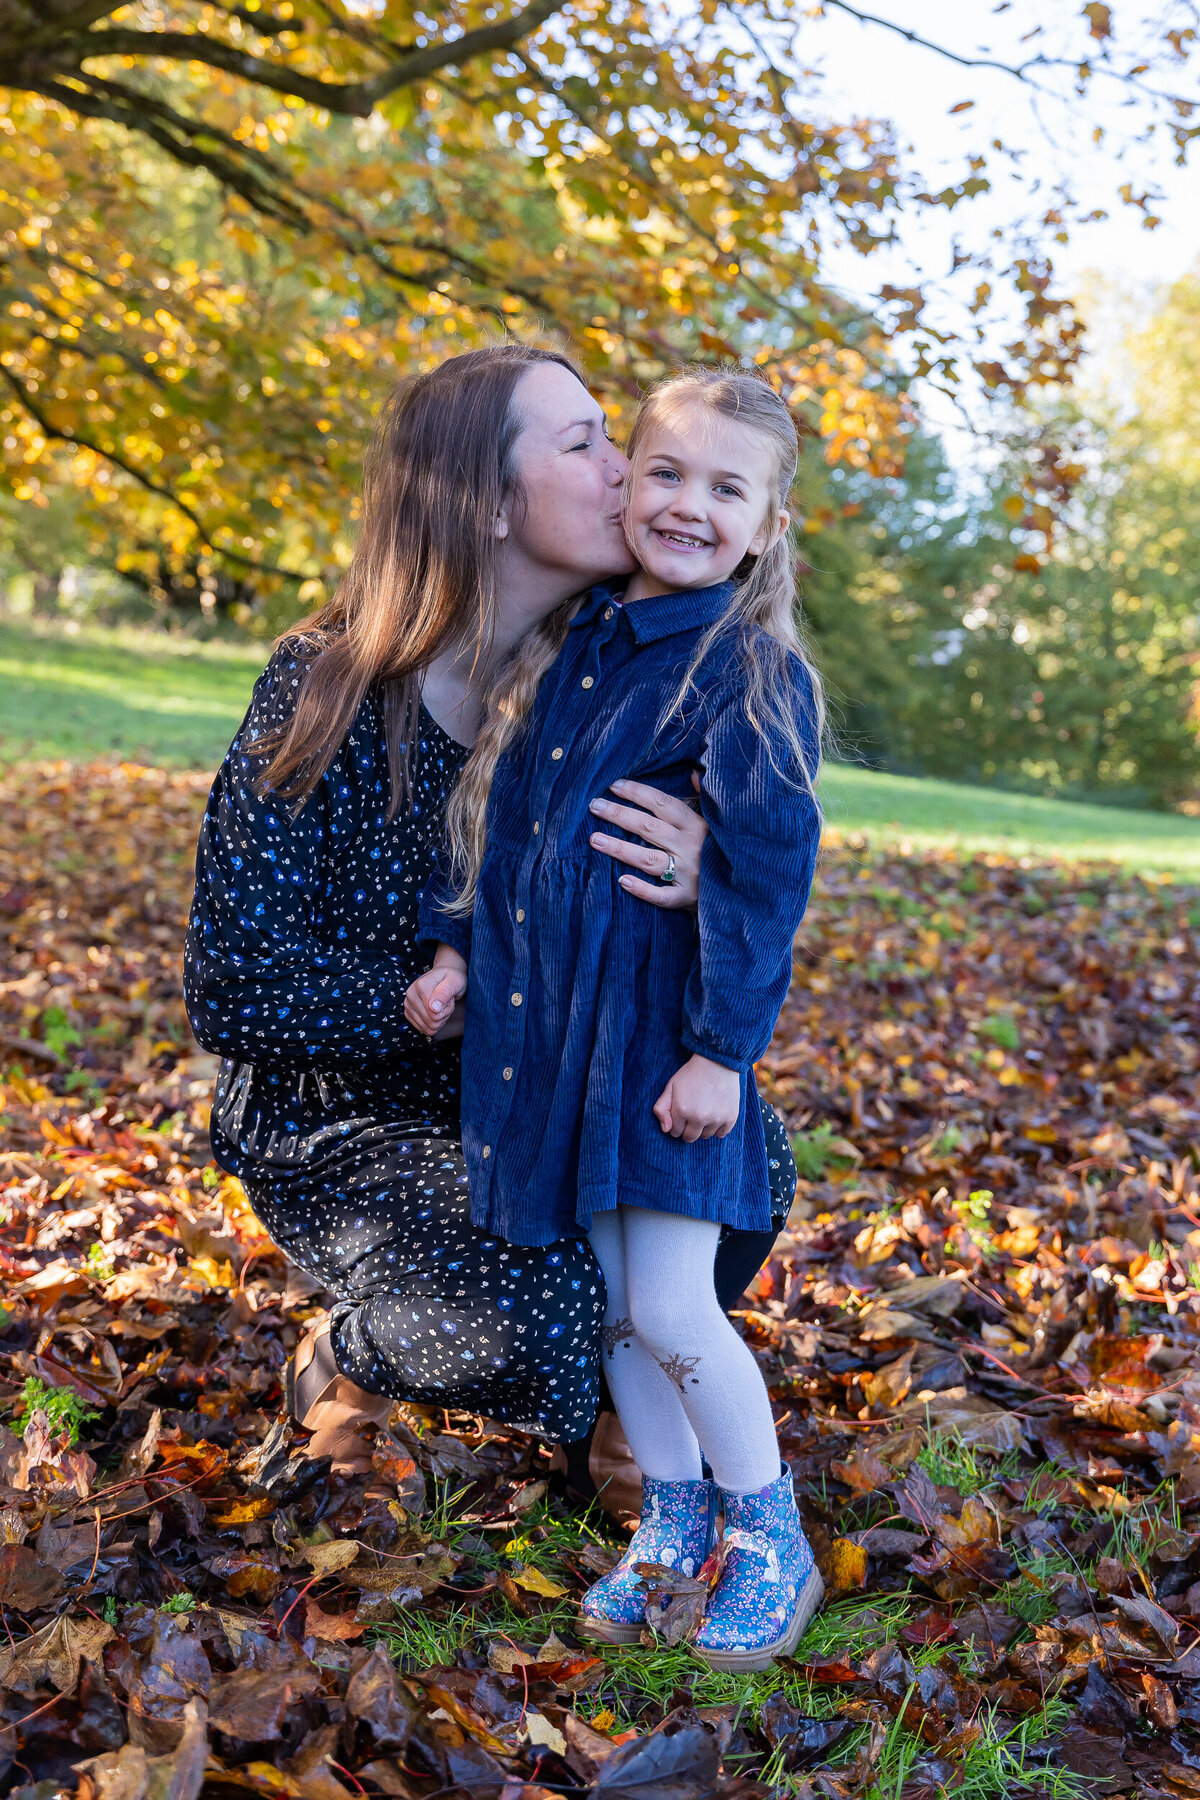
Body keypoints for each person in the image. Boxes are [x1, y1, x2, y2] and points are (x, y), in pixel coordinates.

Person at [183, 344, 795, 1479]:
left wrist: (709, 866)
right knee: (527, 1308)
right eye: (587, 445)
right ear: (488, 501)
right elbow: (232, 984)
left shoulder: (616, 667)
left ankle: (622, 1384)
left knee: (745, 1159)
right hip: (351, 1111)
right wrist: (484, 1003)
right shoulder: (326, 686)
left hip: (544, 1079)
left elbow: (770, 830)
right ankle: (355, 1360)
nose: (630, 472)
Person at [407, 369, 825, 1672]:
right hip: (564, 1050)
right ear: (628, 480)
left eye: (726, 488)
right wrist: (458, 947)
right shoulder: (574, 647)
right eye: (665, 472)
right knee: (620, 1314)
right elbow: (511, 819)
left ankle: (771, 1534)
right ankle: (671, 1524)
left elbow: (766, 872)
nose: (688, 504)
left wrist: (723, 1051)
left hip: (666, 1049)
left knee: (677, 1306)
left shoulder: (744, 670)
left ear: (765, 526)